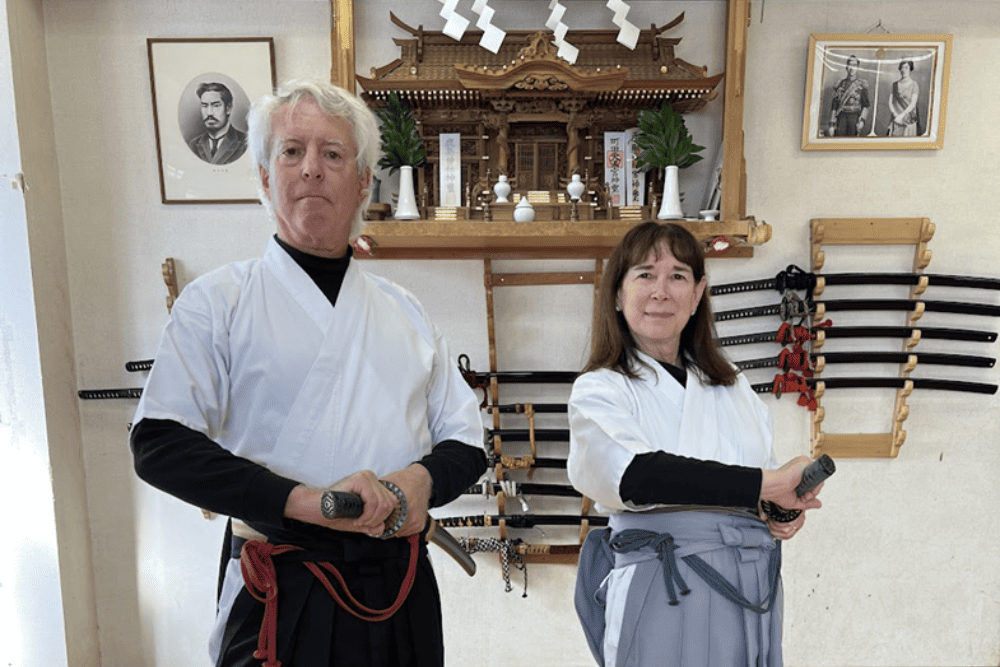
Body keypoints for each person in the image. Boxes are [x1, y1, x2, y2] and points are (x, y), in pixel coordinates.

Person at [130, 79, 486, 667]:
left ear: (363, 182)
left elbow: (465, 440)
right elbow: (159, 444)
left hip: (398, 584)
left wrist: (416, 485)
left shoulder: (406, 310)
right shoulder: (217, 301)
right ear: (267, 178)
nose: (311, 169)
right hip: (278, 581)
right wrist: (306, 501)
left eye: (333, 153)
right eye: (291, 151)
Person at [568, 222, 824, 667]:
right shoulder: (600, 389)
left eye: (678, 276)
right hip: (662, 582)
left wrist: (782, 508)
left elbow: (760, 486)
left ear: (698, 292)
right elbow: (638, 475)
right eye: (645, 274)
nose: (661, 292)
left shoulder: (733, 387)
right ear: (616, 293)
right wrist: (764, 485)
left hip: (748, 584)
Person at [188, 81, 249, 164]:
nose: (209, 113)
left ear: (228, 108)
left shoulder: (246, 142)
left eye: (216, 105)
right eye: (204, 106)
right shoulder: (193, 144)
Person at [827, 54, 871, 137]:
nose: (852, 68)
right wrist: (832, 124)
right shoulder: (839, 84)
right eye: (850, 65)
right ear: (846, 67)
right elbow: (834, 106)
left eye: (854, 65)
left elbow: (866, 105)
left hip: (854, 117)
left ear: (857, 67)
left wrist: (862, 120)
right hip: (841, 117)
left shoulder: (862, 84)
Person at [887, 60, 921, 137]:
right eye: (902, 67)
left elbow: (913, 104)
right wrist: (895, 115)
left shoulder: (914, 84)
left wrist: (901, 116)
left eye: (906, 67)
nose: (903, 70)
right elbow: (890, 102)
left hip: (908, 120)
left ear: (910, 69)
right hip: (896, 119)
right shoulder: (894, 85)